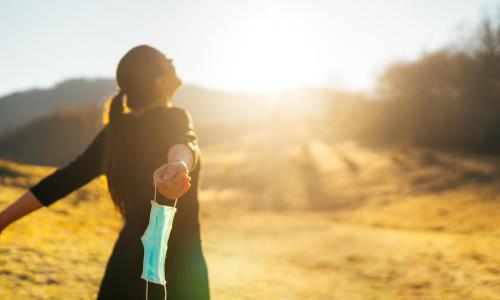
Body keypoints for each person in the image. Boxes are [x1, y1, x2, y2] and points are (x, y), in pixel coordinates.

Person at [0, 45, 211, 299]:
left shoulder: (115, 133)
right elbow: (185, 143)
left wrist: (3, 219)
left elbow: (62, 181)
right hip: (181, 264)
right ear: (160, 81)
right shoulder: (173, 116)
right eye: (167, 60)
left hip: (127, 263)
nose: (173, 60)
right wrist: (179, 166)